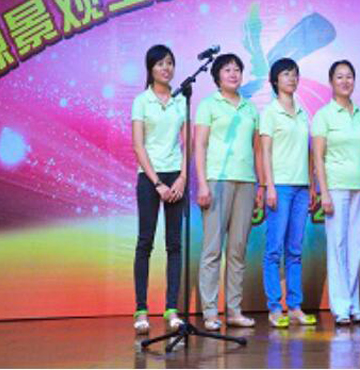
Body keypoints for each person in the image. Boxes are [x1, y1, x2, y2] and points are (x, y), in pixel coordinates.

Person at [195, 53, 263, 331]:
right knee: (212, 249)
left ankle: (234, 310)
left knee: (237, 250)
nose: (233, 74)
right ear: (217, 76)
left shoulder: (250, 108)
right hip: (217, 181)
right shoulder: (208, 105)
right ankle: (210, 312)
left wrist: (261, 184)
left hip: (246, 181)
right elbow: (199, 145)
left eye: (237, 69)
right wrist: (202, 183)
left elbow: (257, 150)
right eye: (227, 70)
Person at [312, 60, 360, 326]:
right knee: (337, 246)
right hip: (336, 187)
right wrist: (324, 192)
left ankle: (353, 305)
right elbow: (318, 157)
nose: (345, 81)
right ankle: (340, 307)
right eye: (340, 77)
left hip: (359, 187)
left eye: (349, 76)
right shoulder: (324, 115)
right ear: (331, 82)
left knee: (356, 246)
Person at [131, 44, 187, 334]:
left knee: (174, 245)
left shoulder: (181, 100)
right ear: (150, 69)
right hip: (149, 177)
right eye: (160, 64)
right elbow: (138, 146)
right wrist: (157, 183)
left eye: (170, 63)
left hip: (176, 176)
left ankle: (171, 308)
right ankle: (141, 310)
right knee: (145, 242)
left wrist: (182, 178)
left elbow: (188, 144)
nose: (166, 68)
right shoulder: (141, 101)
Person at [260, 58, 318, 328]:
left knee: (294, 250)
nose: (292, 78)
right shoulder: (270, 112)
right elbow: (265, 152)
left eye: (295, 74)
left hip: (301, 188)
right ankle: (274, 308)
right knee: (274, 250)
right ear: (275, 80)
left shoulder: (303, 112)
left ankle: (294, 306)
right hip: (280, 187)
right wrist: (269, 186)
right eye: (286, 74)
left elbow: (308, 151)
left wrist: (312, 185)